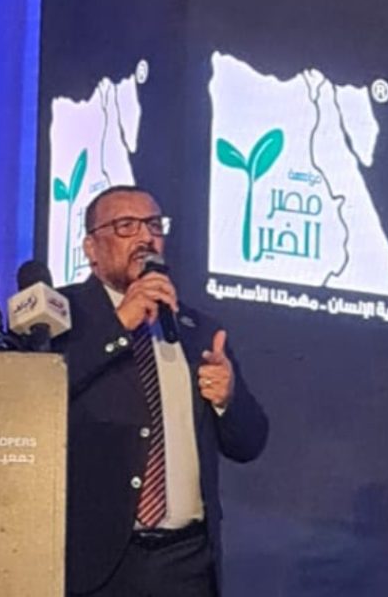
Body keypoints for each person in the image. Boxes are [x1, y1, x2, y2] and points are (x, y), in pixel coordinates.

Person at [54, 186, 268, 597]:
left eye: (153, 225)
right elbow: (33, 400)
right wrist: (119, 325)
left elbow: (249, 443)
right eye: (125, 226)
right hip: (94, 563)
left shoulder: (198, 330)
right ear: (91, 248)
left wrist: (228, 400)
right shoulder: (60, 313)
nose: (145, 237)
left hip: (186, 562)